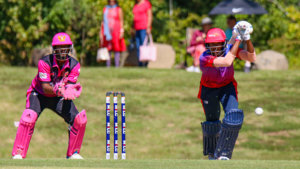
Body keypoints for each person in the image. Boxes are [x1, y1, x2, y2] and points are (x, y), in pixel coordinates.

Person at [12, 32, 87, 160]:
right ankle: (18, 153)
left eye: (65, 48)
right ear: (54, 49)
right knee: (28, 118)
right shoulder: (44, 62)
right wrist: (60, 91)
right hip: (38, 94)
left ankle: (73, 154)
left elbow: (69, 85)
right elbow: (45, 88)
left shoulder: (75, 65)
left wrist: (70, 90)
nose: (62, 52)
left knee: (79, 120)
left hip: (58, 96)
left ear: (69, 49)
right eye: (59, 48)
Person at [198, 21, 256, 160]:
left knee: (233, 117)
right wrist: (237, 39)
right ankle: (212, 154)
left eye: (218, 43)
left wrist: (247, 39)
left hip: (227, 87)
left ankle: (224, 153)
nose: (215, 47)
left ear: (223, 43)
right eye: (212, 44)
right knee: (212, 123)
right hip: (209, 89)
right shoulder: (204, 57)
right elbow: (227, 62)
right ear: (207, 45)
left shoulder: (230, 48)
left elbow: (251, 57)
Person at [100, 0, 126, 67]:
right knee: (108, 48)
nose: (111, 1)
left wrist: (122, 31)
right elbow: (103, 21)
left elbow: (121, 20)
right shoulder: (105, 9)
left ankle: (117, 65)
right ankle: (108, 65)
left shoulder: (118, 9)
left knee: (116, 48)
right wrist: (101, 32)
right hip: (107, 31)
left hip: (116, 31)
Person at [133, 0, 152, 67]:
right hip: (137, 28)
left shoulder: (146, 3)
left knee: (143, 46)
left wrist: (148, 27)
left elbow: (149, 15)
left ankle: (145, 62)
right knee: (138, 46)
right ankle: (140, 63)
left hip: (144, 28)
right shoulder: (136, 4)